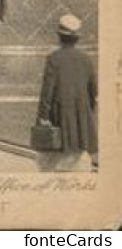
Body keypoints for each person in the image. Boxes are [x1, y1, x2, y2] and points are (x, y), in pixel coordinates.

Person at [35, 13, 98, 172]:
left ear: (59, 36)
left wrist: (43, 116)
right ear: (77, 38)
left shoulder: (53, 59)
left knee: (54, 160)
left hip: (60, 115)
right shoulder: (86, 60)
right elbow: (93, 92)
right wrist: (87, 111)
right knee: (78, 155)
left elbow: (47, 92)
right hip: (81, 115)